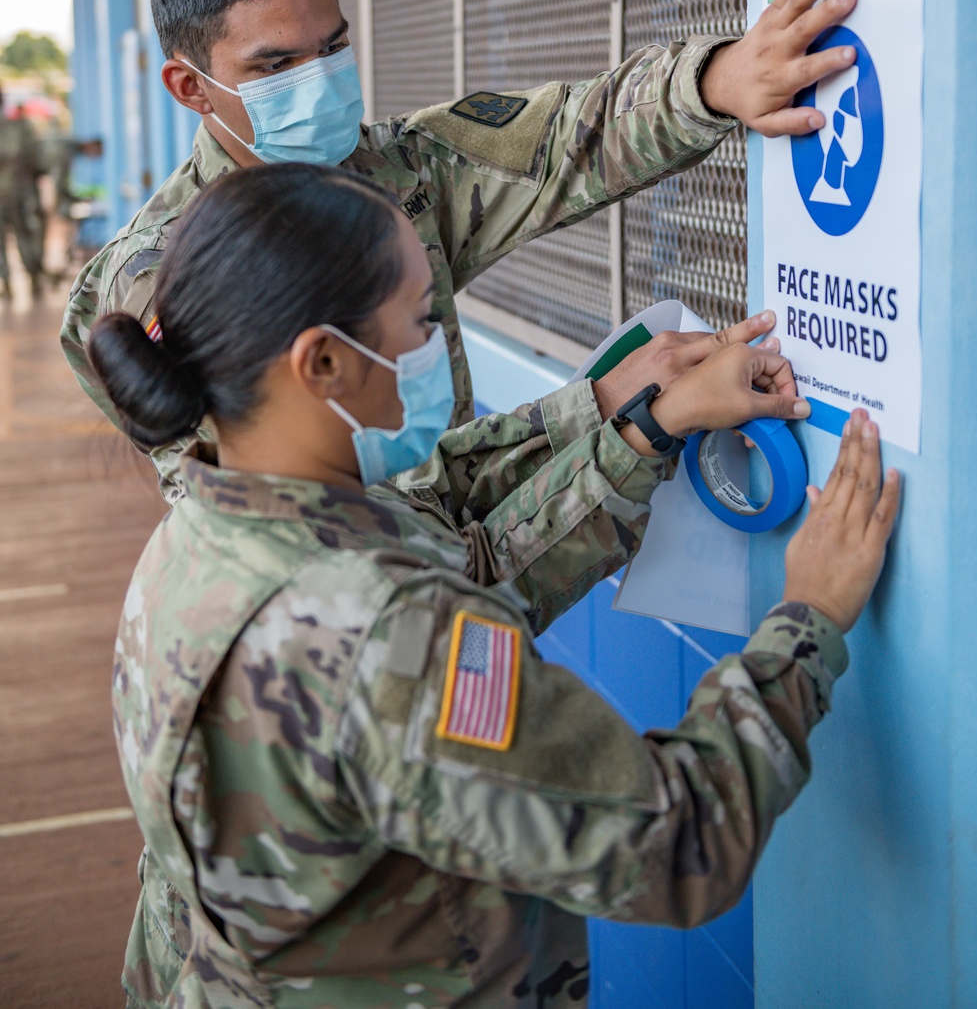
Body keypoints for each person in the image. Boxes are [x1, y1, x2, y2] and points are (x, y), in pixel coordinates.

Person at [92, 164, 899, 1008]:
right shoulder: (389, 635)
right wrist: (806, 619)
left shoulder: (199, 533)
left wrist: (645, 419)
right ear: (324, 362)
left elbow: (434, 522)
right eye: (418, 319)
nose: (436, 344)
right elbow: (676, 843)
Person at [62, 0, 860, 499]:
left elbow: (564, 141)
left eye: (333, 48)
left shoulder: (398, 167)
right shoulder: (168, 276)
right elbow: (326, 509)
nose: (319, 79)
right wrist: (620, 412)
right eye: (276, 66)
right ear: (190, 86)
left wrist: (717, 82)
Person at [0, 86, 44, 299]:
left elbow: (33, 160)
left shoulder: (20, 127)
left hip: (19, 192)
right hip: (19, 191)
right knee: (24, 234)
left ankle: (30, 276)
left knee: (25, 234)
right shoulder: (21, 127)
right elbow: (34, 160)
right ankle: (14, 279)